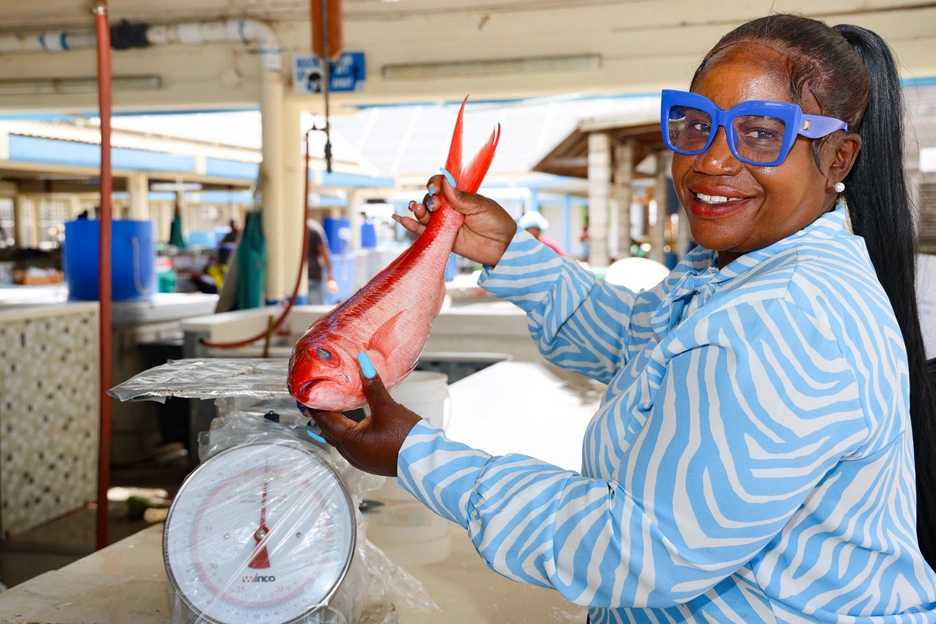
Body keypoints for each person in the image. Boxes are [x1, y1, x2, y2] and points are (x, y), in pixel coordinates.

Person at [307, 14, 936, 622]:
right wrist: (509, 251)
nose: (711, 161)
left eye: (761, 131)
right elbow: (643, 343)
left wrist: (419, 456)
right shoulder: (735, 269)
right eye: (694, 125)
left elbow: (643, 552)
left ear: (839, 158)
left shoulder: (789, 315)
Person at [307, 217, 335, 305]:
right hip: (313, 275)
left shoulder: (295, 227)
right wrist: (330, 273)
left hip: (299, 276)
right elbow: (323, 252)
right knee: (316, 308)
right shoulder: (314, 227)